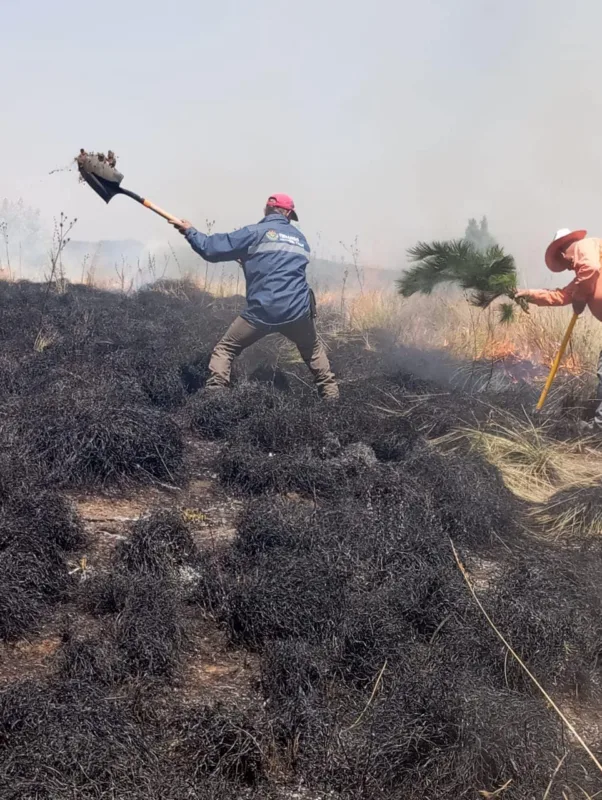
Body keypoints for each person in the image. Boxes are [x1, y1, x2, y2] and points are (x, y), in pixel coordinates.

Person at [172, 194, 339, 400]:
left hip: (263, 311)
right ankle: (331, 397)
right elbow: (281, 266)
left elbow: (209, 249)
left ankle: (216, 396)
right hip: (298, 311)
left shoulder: (253, 233)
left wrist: (189, 231)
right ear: (287, 213)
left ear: (265, 211)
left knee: (225, 350)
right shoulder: (301, 239)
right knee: (313, 351)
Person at [516, 228, 602, 431]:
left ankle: (599, 431)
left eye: (564, 264)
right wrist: (528, 294)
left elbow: (590, 268)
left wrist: (580, 298)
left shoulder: (584, 246)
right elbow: (561, 296)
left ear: (563, 253)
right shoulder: (583, 279)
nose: (568, 268)